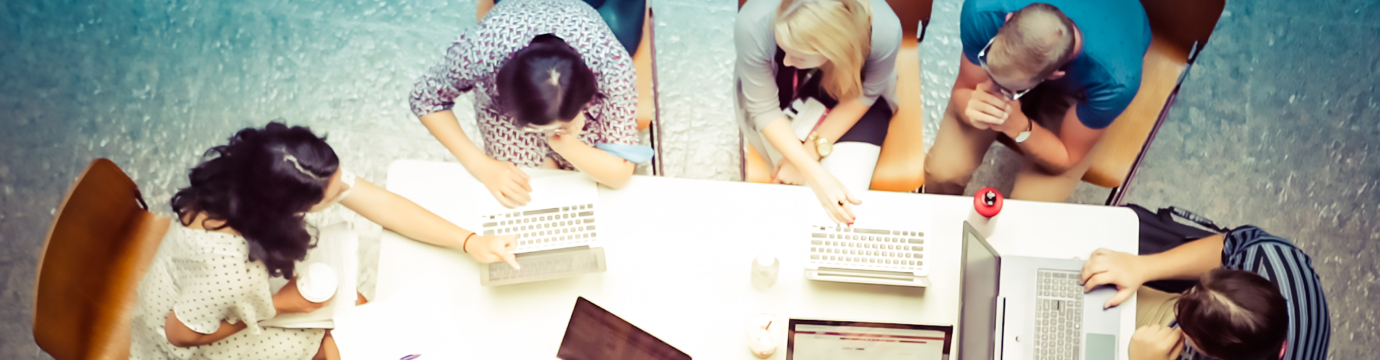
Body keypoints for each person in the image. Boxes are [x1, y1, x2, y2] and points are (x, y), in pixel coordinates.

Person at [129, 123, 520, 359]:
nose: (345, 191)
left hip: (195, 288)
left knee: (360, 316)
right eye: (331, 198)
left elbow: (380, 203)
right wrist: (280, 305)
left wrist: (469, 241)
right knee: (349, 335)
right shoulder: (230, 269)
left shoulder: (261, 169)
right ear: (284, 211)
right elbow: (180, 334)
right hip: (199, 335)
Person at [411, 0, 652, 209]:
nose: (549, 132)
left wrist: (564, 144)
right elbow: (425, 98)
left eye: (560, 125)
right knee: (520, 186)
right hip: (508, 65)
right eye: (538, 129)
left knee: (587, 179)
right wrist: (480, 165)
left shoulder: (610, 64)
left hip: (583, 37)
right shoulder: (481, 53)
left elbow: (619, 174)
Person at [924, 0, 1150, 201]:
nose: (995, 88)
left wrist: (1019, 127)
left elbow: (1066, 156)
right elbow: (965, 89)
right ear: (1008, 19)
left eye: (1010, 89)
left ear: (1054, 76)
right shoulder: (985, 10)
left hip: (1082, 88)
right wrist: (970, 108)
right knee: (943, 171)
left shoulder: (1114, 80)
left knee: (1032, 206)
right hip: (1036, 62)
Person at [736, 0, 902, 224]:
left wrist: (806, 159)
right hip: (780, 95)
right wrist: (813, 172)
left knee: (842, 201)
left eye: (798, 56)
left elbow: (866, 94)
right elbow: (764, 108)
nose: (786, 61)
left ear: (836, 50)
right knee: (802, 199)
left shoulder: (885, 31)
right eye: (784, 50)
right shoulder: (753, 22)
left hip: (853, 88)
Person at [1081, 226, 1331, 360]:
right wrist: (1143, 266)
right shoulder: (1270, 256)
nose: (1178, 326)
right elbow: (1227, 247)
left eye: (1189, 334)